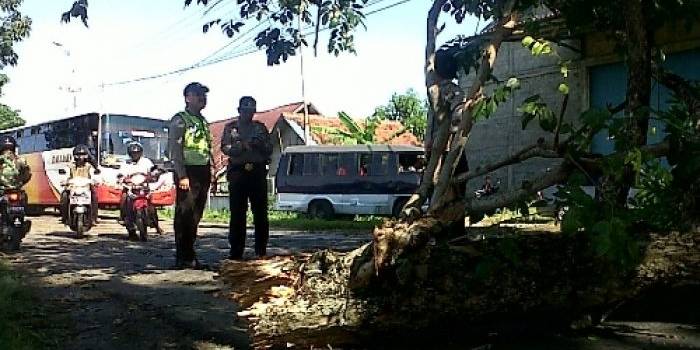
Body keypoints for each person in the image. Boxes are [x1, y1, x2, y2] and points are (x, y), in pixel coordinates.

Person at [168, 82, 214, 269]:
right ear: (188, 98)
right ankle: (183, 257)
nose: (203, 98)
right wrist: (181, 175)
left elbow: (206, 148)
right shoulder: (180, 119)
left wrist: (212, 171)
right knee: (184, 215)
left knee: (196, 215)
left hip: (203, 171)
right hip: (187, 171)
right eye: (198, 95)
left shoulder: (203, 121)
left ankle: (191, 253)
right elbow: (175, 149)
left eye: (204, 95)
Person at [221, 96, 272, 260]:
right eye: (245, 110)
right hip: (238, 171)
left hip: (257, 170)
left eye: (251, 111)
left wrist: (259, 145)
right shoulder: (231, 128)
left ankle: (261, 249)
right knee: (237, 213)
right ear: (239, 111)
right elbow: (225, 148)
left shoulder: (260, 128)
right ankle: (236, 250)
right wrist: (240, 147)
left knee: (261, 213)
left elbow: (269, 148)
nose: (248, 114)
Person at [118, 142, 164, 236]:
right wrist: (122, 178)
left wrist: (155, 174)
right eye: (133, 153)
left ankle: (155, 224)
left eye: (137, 153)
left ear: (141, 153)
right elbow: (120, 174)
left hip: (144, 187)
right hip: (130, 188)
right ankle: (125, 219)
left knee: (152, 206)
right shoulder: (126, 163)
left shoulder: (146, 162)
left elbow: (153, 170)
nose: (135, 155)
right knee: (123, 199)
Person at [60, 144, 99, 225]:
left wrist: (95, 180)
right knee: (64, 195)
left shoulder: (89, 166)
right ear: (75, 156)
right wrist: (64, 181)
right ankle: (65, 217)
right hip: (72, 187)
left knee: (94, 195)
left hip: (86, 187)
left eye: (83, 155)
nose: (81, 157)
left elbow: (94, 175)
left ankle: (93, 218)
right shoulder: (70, 166)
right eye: (78, 155)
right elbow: (65, 174)